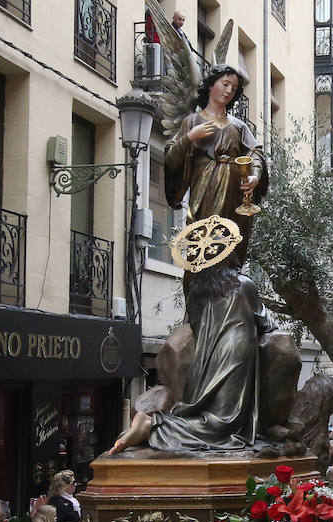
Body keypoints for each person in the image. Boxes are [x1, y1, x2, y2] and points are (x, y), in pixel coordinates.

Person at [109, 64, 273, 454]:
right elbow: (173, 161)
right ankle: (201, 297)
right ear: (211, 86)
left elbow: (258, 157)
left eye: (234, 87)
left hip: (233, 195)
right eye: (224, 84)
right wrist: (189, 139)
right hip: (204, 191)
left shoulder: (238, 127)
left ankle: (224, 276)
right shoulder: (192, 120)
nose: (229, 91)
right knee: (204, 250)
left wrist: (253, 177)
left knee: (229, 252)